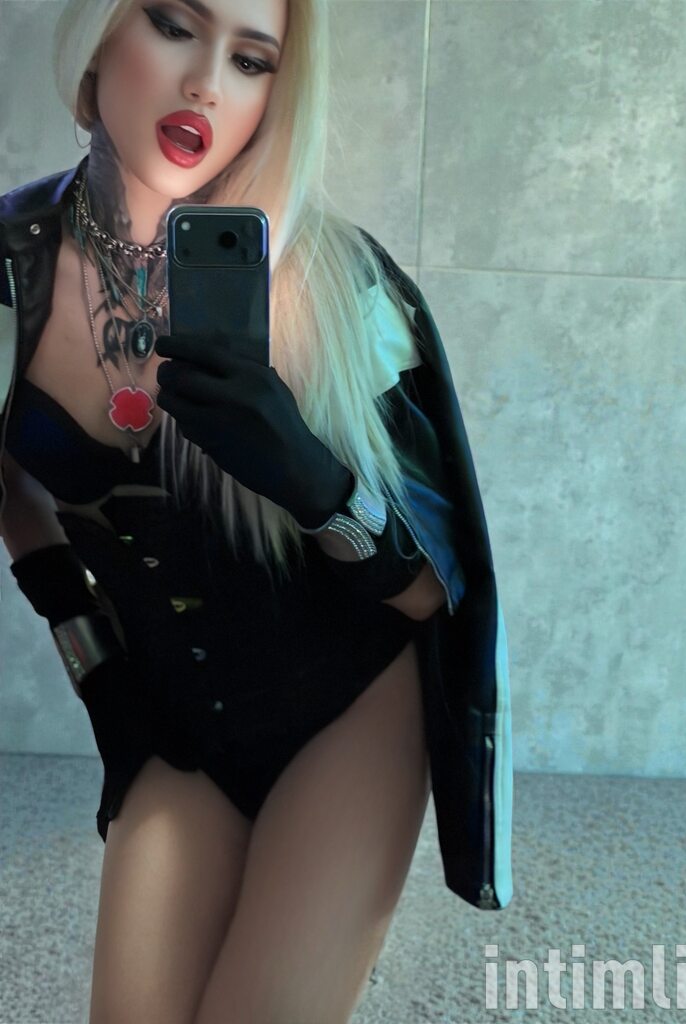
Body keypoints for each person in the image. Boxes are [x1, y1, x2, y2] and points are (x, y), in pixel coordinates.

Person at [0, 0, 514, 1021]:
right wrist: (103, 684)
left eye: (251, 60)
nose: (206, 82)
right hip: (172, 717)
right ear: (102, 30)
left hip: (349, 712)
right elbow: (13, 490)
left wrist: (310, 478)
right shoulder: (12, 270)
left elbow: (432, 596)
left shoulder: (343, 288)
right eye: (172, 23)